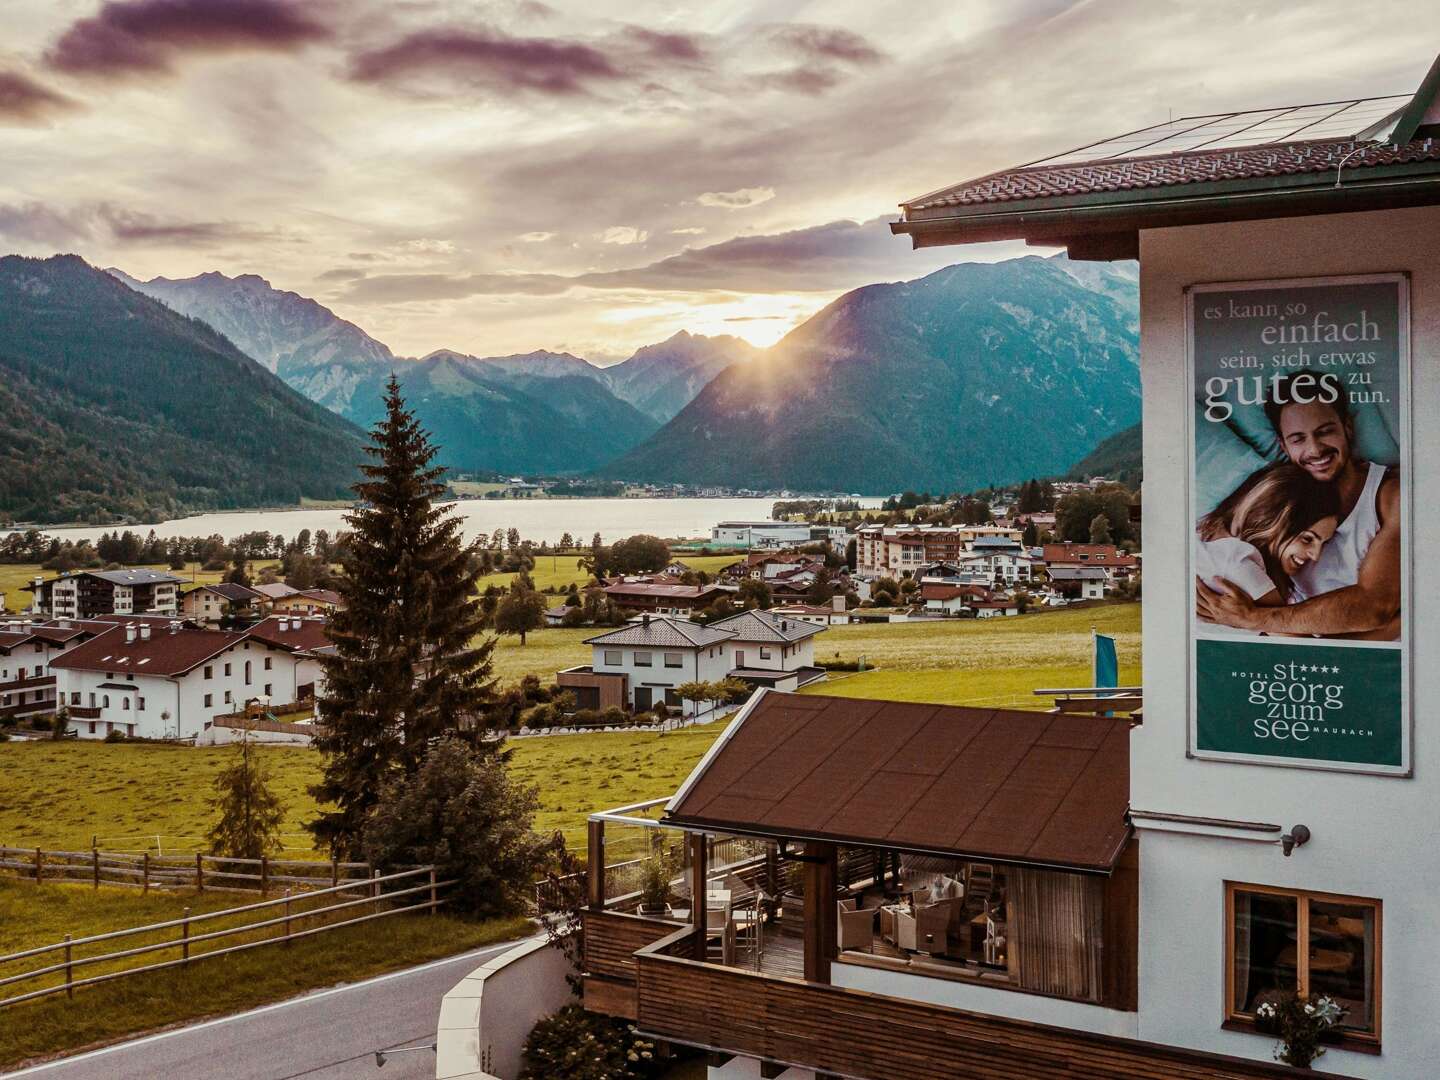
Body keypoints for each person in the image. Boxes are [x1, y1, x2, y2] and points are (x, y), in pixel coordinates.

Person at [1196, 371, 1401, 640]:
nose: (1315, 449)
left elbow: (1375, 605)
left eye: (1325, 432)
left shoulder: (1390, 496)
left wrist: (1253, 618)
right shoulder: (1275, 497)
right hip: (1306, 661)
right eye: (1298, 439)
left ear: (1347, 428)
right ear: (1283, 444)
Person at [1195, 463, 1340, 622]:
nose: (1316, 556)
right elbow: (1297, 642)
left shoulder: (1203, 534)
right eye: (1307, 539)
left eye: (1323, 543)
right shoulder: (1237, 562)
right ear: (1270, 521)